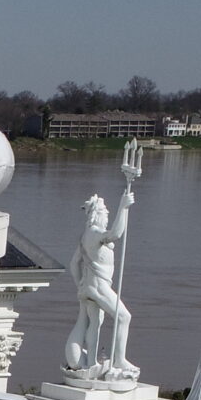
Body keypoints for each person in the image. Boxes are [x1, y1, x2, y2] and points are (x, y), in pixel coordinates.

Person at [62, 148, 141, 384]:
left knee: (93, 323)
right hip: (98, 287)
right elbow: (116, 233)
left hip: (90, 287)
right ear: (98, 215)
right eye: (105, 213)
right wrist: (123, 206)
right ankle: (119, 360)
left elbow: (73, 263)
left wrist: (80, 286)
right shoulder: (96, 233)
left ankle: (88, 362)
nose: (106, 216)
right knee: (123, 317)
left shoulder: (86, 235)